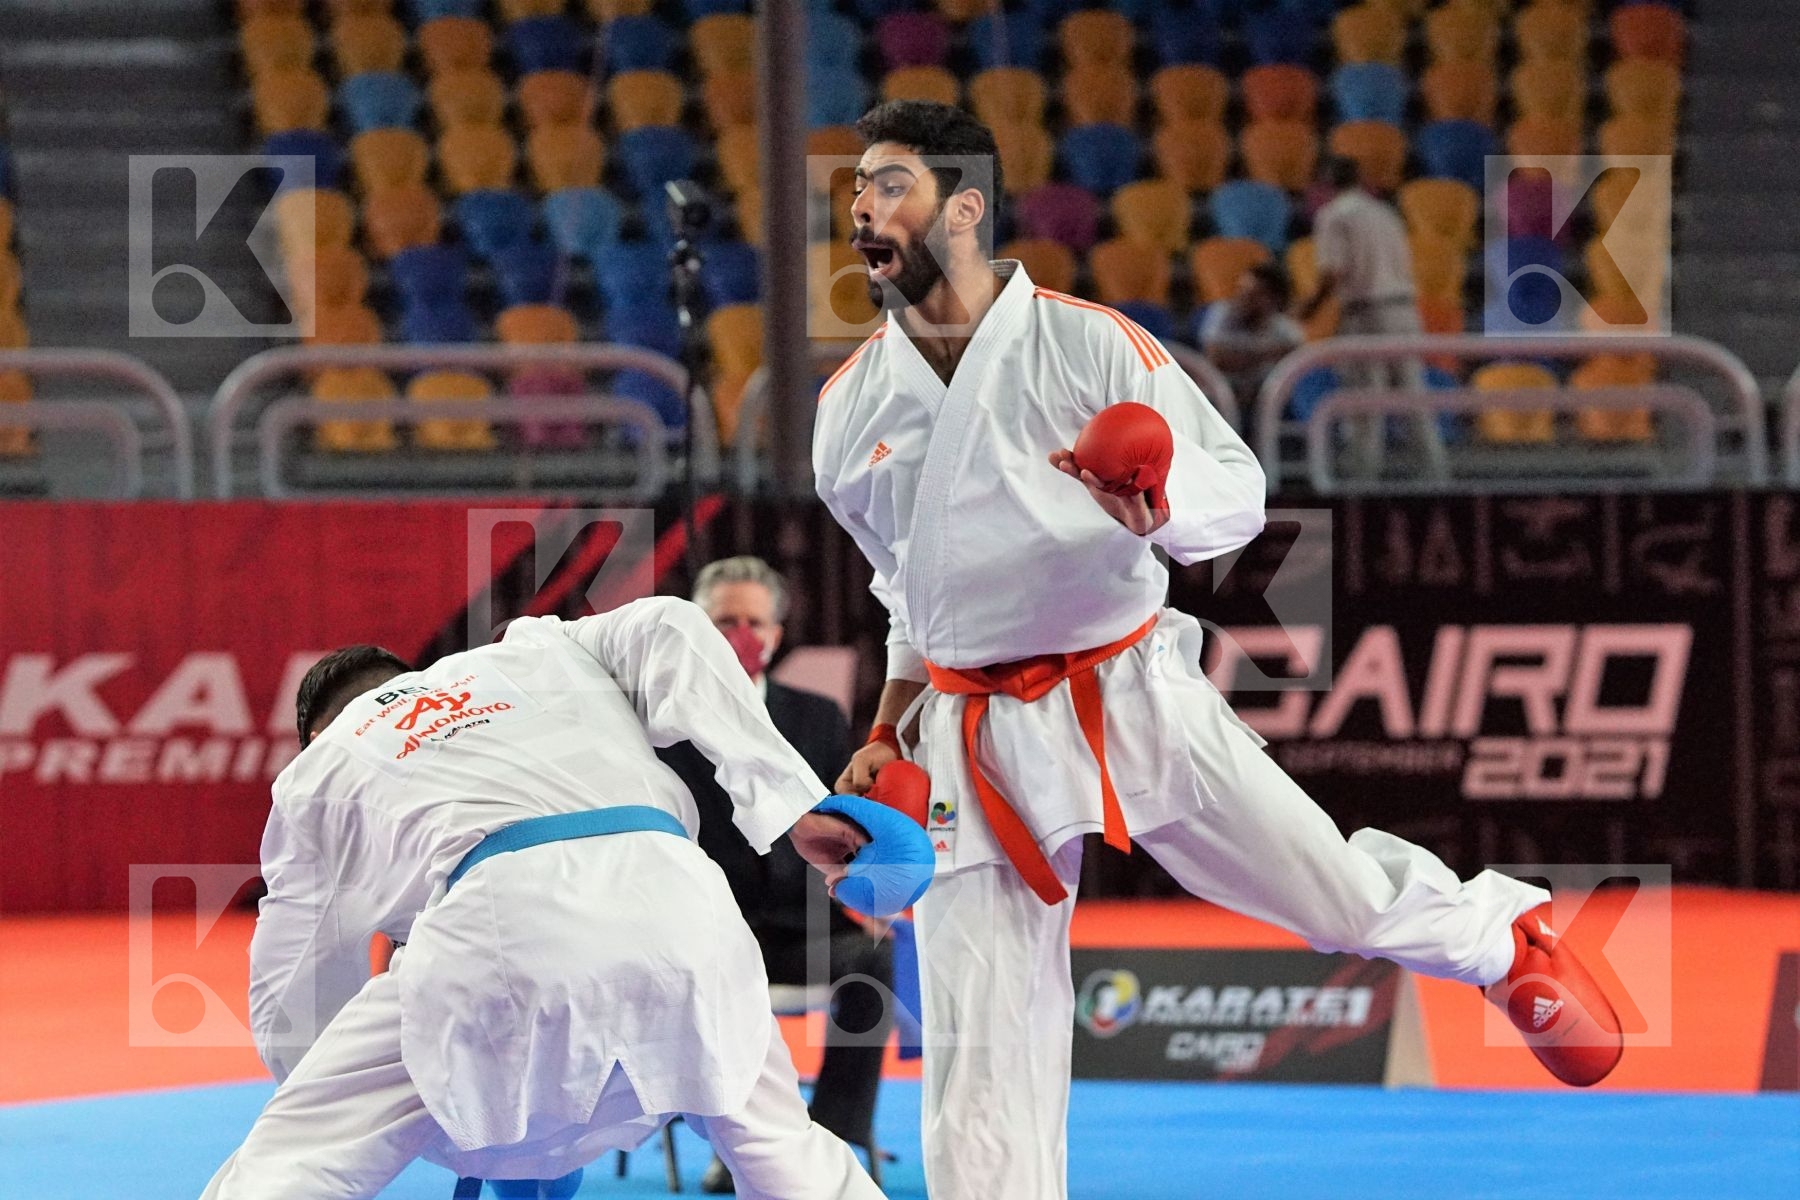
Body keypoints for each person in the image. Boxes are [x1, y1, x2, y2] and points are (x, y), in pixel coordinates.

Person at [813, 99, 1623, 1200]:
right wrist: (882, 729)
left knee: (1334, 896)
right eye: (857, 188)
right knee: (981, 1051)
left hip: (1127, 686)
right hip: (970, 727)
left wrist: (1155, 502)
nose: (862, 207)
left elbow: (1233, 494)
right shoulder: (847, 408)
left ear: (964, 210)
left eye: (889, 185)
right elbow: (904, 591)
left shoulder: (1087, 343)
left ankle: (1498, 934)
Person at [201, 598, 897, 1200]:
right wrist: (792, 803)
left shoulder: (318, 770)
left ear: (319, 732)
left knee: (291, 1162)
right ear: (413, 680)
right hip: (685, 911)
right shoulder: (534, 651)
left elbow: (297, 986)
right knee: (785, 1150)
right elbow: (672, 624)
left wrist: (334, 1098)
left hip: (503, 928)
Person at [658, 556, 895, 1194]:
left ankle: (830, 1137)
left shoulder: (816, 717)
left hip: (795, 926)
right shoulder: (658, 723)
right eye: (725, 621)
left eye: (754, 621)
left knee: (870, 957)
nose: (742, 634)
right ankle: (735, 1141)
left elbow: (846, 822)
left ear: (778, 633)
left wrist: (867, 888)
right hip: (701, 931)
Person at [1299, 155, 1447, 478]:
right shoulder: (1385, 213)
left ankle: (1361, 487)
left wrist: (1308, 309)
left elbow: (1334, 273)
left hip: (1366, 314)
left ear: (1327, 184)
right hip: (1404, 311)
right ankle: (1436, 477)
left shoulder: (1334, 215)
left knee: (1364, 407)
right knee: (1415, 402)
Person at [1197, 261, 1305, 413]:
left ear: (1275, 300)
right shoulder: (1221, 313)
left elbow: (1294, 371)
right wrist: (1270, 353)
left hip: (1265, 402)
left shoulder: (1287, 330)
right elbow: (1216, 358)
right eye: (1242, 290)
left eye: (1254, 294)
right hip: (1220, 396)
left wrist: (1242, 358)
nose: (1243, 299)